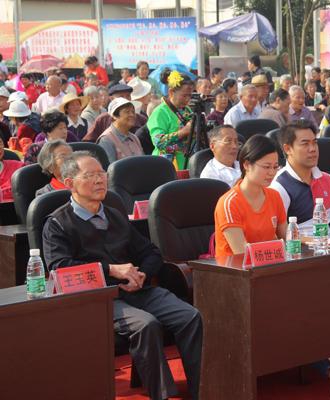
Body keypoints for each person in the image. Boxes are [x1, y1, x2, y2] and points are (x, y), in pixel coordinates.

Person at [215, 134, 330, 399]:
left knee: (326, 291)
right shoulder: (230, 202)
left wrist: (325, 242)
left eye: (275, 166)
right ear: (246, 165)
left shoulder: (272, 197)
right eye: (265, 167)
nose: (271, 172)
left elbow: (288, 238)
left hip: (271, 274)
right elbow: (241, 255)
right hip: (239, 282)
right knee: (307, 302)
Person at [42, 151, 202, 400]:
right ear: (70, 183)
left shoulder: (114, 215)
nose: (99, 180)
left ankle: (201, 389)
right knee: (146, 324)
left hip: (137, 289)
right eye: (90, 175)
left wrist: (142, 274)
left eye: (101, 174)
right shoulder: (58, 223)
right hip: (100, 298)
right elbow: (60, 268)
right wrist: (111, 270)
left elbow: (150, 252)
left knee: (190, 316)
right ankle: (162, 395)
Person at [146, 70, 195, 170]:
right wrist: (183, 131)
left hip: (187, 163)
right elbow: (159, 142)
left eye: (190, 95)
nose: (187, 99)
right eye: (184, 95)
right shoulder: (160, 112)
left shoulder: (187, 109)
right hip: (167, 165)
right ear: (171, 92)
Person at [83, 84, 147, 142]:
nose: (125, 99)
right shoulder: (103, 119)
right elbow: (88, 141)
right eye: (121, 96)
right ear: (111, 99)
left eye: (128, 96)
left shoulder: (140, 119)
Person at [97, 98, 144, 163]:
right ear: (115, 116)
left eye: (133, 112)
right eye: (127, 112)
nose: (132, 115)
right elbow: (109, 168)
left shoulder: (134, 138)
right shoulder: (106, 140)